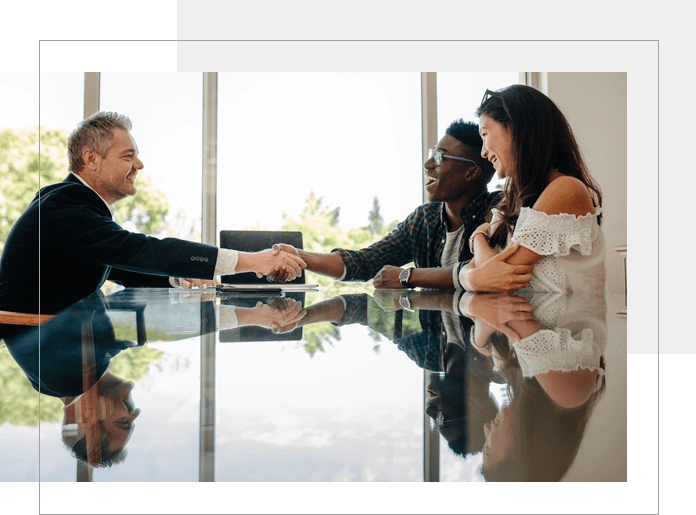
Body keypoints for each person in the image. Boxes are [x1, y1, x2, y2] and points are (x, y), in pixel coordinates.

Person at [0, 111, 306, 317]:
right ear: (92, 159)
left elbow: (124, 267)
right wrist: (255, 260)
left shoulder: (71, 204)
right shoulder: (65, 208)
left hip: (54, 340)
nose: (139, 165)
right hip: (36, 345)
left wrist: (178, 277)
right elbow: (140, 250)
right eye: (128, 156)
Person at [269, 119, 530, 290]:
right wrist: (300, 256)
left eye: (440, 157)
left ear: (472, 173)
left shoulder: (501, 211)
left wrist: (408, 276)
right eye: (431, 155)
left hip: (485, 342)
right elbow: (365, 262)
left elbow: (484, 275)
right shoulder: (423, 220)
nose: (428, 165)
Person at [459, 85, 605, 294]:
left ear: (516, 128)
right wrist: (472, 275)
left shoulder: (566, 189)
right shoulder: (512, 202)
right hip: (519, 323)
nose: (483, 152)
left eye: (485, 134)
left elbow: (497, 278)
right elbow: (483, 274)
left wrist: (477, 240)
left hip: (562, 326)